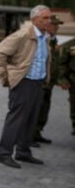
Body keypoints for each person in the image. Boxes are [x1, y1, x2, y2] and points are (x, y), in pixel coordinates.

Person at [0, 5, 51, 169]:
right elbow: (0, 52)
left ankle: (23, 152)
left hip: (38, 83)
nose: (48, 21)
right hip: (23, 83)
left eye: (49, 18)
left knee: (31, 119)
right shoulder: (23, 34)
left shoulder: (44, 36)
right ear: (34, 20)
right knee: (16, 119)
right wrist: (6, 75)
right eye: (45, 18)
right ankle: (4, 154)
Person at [35, 15, 64, 143]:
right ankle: (30, 135)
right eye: (54, 24)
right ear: (48, 25)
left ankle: (37, 132)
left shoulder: (54, 40)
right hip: (40, 81)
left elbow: (55, 62)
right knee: (36, 108)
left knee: (44, 107)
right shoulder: (42, 38)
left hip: (49, 82)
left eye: (58, 25)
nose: (57, 27)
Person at [58, 31, 75, 136]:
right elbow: (62, 64)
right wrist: (63, 79)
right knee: (74, 104)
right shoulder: (70, 45)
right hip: (74, 80)